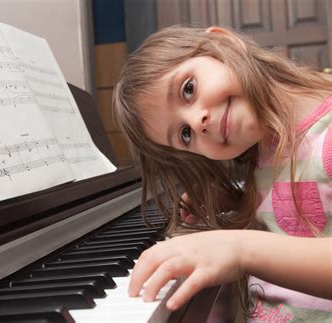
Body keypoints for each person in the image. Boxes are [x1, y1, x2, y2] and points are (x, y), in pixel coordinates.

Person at [113, 25, 332, 321]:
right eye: (186, 134)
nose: (198, 121)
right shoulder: (265, 146)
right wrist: (235, 201)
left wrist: (239, 249)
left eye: (188, 89)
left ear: (223, 42)